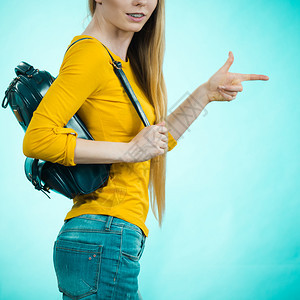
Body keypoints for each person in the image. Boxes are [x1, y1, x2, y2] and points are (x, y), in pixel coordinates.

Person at [22, 0, 269, 299]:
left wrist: (205, 93)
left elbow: (155, 144)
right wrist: (126, 151)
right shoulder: (89, 53)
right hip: (103, 235)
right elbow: (37, 139)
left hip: (106, 237)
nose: (141, 2)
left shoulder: (120, 65)